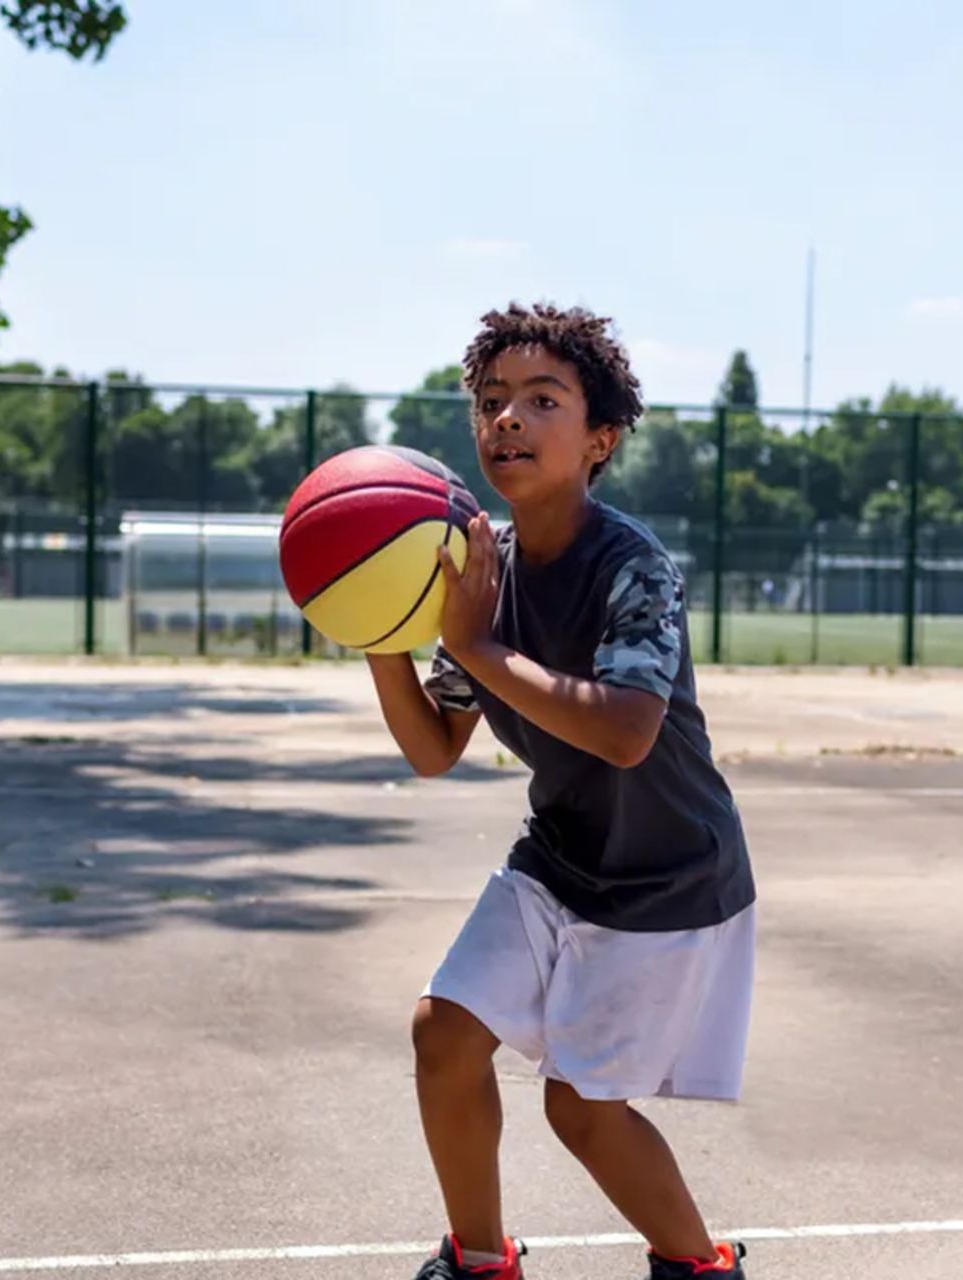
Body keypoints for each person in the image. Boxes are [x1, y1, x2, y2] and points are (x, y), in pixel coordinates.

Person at [364, 303, 756, 1280]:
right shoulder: (480, 569)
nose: (508, 420)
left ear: (600, 438)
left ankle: (702, 1267)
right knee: (442, 1032)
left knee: (580, 1107)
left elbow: (627, 730)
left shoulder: (632, 568)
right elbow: (434, 746)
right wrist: (380, 631)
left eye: (543, 400)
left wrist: (479, 647)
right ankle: (482, 1260)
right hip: (561, 851)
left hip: (666, 873)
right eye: (492, 401)